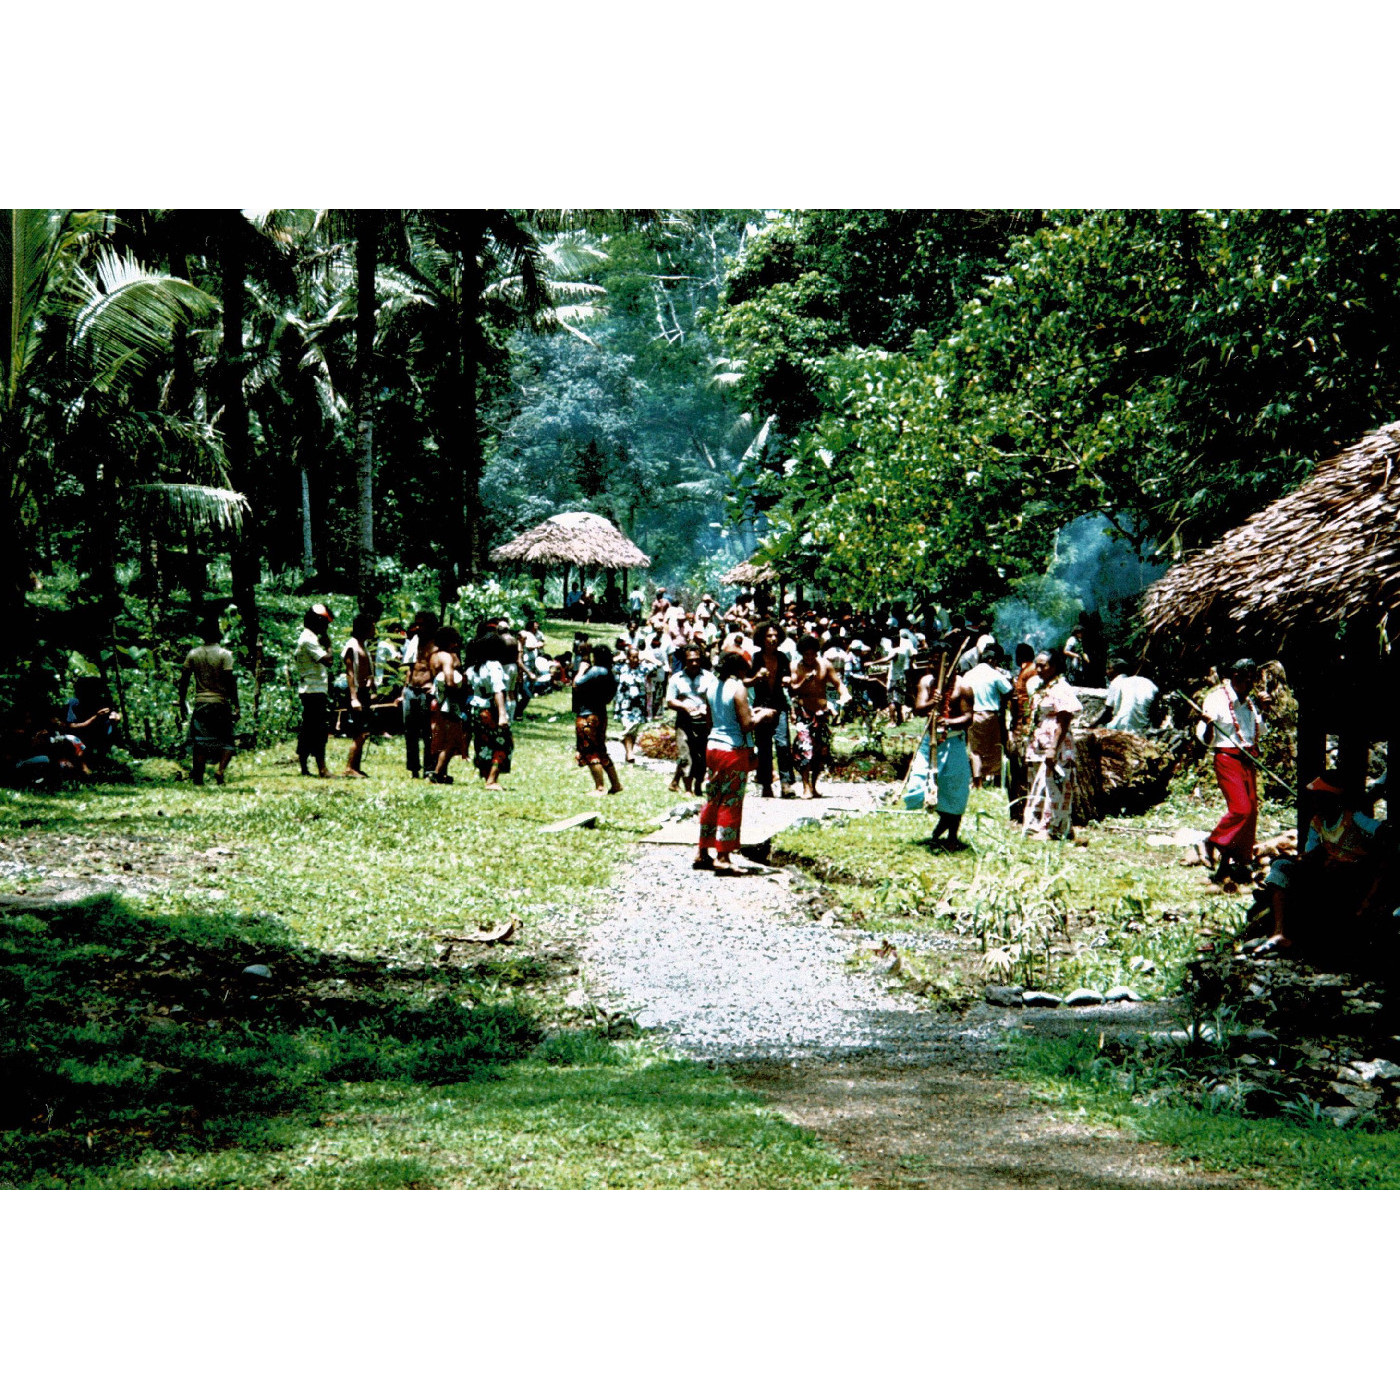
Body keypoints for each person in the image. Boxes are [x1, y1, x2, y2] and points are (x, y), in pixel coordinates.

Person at [1259, 772, 1388, 957]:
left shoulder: (1353, 817)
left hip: (1353, 873)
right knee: (1281, 866)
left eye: (1319, 798)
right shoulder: (1317, 823)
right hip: (1328, 869)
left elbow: (1380, 831)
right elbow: (1310, 851)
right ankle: (1278, 932)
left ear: (1333, 799)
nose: (1315, 803)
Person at [695, 649, 774, 874]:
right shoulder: (738, 688)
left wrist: (747, 713)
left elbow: (712, 721)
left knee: (712, 799)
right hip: (733, 751)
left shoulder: (712, 687)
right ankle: (723, 855)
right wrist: (764, 715)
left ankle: (703, 851)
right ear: (739, 669)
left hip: (714, 747)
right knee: (731, 802)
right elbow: (747, 724)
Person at [1197, 658, 1264, 883]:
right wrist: (1207, 724)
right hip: (1227, 758)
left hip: (1248, 759)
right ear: (1236, 678)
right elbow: (1206, 740)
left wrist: (1263, 709)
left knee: (1252, 812)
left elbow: (1258, 732)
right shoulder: (1217, 699)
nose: (1251, 687)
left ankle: (1234, 862)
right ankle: (1212, 841)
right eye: (1247, 682)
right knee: (1241, 809)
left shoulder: (1250, 703)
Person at [1022, 650, 1082, 840]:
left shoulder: (1061, 688)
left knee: (1054, 786)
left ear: (1054, 667)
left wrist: (1053, 749)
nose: (1038, 669)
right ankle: (1042, 825)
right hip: (1040, 742)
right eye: (1036, 665)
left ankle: (1053, 828)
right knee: (1040, 785)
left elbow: (1064, 719)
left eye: (1043, 666)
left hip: (1055, 744)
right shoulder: (1043, 687)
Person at [178, 615, 238, 786]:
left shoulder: (193, 654)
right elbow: (230, 681)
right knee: (227, 739)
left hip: (201, 702)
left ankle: (198, 778)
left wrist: (182, 701)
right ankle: (220, 770)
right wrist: (236, 705)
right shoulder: (225, 655)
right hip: (220, 702)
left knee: (200, 742)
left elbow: (183, 680)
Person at [927, 660, 975, 848]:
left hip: (953, 741)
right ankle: (944, 822)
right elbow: (918, 708)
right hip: (931, 744)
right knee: (930, 789)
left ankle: (952, 835)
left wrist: (948, 722)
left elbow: (969, 717)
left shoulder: (963, 687)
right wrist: (933, 701)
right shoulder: (927, 683)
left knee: (956, 788)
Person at [750, 621, 796, 799]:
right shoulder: (756, 658)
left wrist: (787, 679)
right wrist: (757, 676)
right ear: (762, 638)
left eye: (776, 636)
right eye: (769, 636)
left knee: (783, 743)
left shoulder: (783, 657)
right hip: (761, 705)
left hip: (780, 704)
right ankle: (766, 784)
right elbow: (747, 681)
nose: (773, 639)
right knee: (764, 746)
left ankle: (786, 784)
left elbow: (788, 676)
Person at [790, 634, 838, 799]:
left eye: (812, 653)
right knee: (805, 749)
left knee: (821, 751)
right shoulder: (796, 666)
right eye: (806, 654)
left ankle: (814, 785)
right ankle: (805, 785)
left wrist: (844, 696)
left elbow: (838, 684)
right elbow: (793, 689)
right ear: (802, 653)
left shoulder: (825, 665)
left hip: (821, 713)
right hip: (804, 713)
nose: (809, 657)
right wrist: (804, 681)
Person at [293, 604, 335, 778]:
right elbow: (328, 660)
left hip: (312, 690)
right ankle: (322, 768)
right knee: (318, 731)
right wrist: (329, 645)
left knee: (308, 729)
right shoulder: (309, 639)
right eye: (324, 623)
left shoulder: (309, 637)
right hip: (313, 691)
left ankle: (305, 767)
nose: (325, 627)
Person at [574, 644, 622, 795]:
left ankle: (599, 786)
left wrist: (581, 669)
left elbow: (576, 684)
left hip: (587, 714)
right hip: (601, 714)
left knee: (590, 750)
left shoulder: (595, 671)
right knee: (601, 749)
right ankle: (615, 784)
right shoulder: (610, 674)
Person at [469, 631, 513, 789]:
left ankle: (486, 775)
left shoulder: (476, 666)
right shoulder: (494, 665)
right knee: (502, 744)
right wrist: (502, 714)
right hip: (490, 710)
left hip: (476, 709)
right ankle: (492, 780)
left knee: (483, 743)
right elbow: (497, 690)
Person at [666, 644, 712, 794]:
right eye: (690, 660)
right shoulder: (676, 678)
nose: (694, 663)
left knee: (701, 756)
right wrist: (684, 706)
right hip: (684, 721)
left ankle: (698, 786)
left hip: (704, 722)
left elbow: (714, 698)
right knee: (685, 754)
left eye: (697, 660)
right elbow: (670, 701)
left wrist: (707, 708)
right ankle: (687, 789)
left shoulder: (709, 677)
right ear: (685, 661)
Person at [965, 641, 1012, 789]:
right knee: (994, 747)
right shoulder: (995, 674)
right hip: (991, 715)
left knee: (975, 750)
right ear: (992, 660)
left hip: (974, 714)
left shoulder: (969, 674)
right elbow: (1009, 690)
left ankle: (978, 782)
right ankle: (997, 781)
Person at [429, 626, 469, 784]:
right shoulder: (446, 657)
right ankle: (438, 773)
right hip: (449, 700)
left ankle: (442, 772)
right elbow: (449, 680)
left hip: (438, 699)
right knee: (452, 740)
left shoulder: (434, 656)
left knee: (442, 737)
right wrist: (461, 688)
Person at [401, 610, 438, 778]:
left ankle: (430, 768)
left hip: (427, 692)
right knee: (411, 732)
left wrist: (435, 687)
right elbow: (410, 667)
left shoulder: (437, 644)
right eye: (417, 623)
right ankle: (414, 768)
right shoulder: (415, 641)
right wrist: (404, 688)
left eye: (422, 624)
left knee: (428, 733)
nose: (418, 627)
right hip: (411, 690)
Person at [1005, 642, 1039, 824]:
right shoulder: (1026, 671)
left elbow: (1026, 703)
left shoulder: (1029, 672)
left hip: (1024, 726)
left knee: (1021, 770)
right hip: (1020, 724)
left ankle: (1023, 809)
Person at [341, 612, 376, 778]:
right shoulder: (352, 646)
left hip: (364, 691)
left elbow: (366, 670)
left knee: (364, 732)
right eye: (372, 626)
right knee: (359, 731)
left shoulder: (364, 646)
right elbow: (350, 673)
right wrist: (354, 697)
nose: (374, 629)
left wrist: (371, 683)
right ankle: (349, 767)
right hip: (355, 693)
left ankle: (356, 766)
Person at [58, 677, 122, 762]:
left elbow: (112, 713)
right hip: (79, 735)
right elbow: (70, 727)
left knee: (109, 724)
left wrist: (116, 716)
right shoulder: (73, 703)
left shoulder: (99, 701)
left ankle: (102, 756)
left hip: (97, 732)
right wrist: (96, 717)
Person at [1103, 658, 1160, 734]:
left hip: (1120, 726)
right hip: (1141, 730)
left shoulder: (1123, 682)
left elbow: (1112, 709)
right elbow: (1154, 713)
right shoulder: (1154, 687)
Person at [613, 645, 649, 765]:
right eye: (633, 657)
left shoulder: (643, 669)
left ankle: (629, 750)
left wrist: (647, 657)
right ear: (628, 657)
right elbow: (607, 663)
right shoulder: (621, 668)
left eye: (637, 657)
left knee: (634, 730)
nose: (635, 660)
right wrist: (619, 657)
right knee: (628, 727)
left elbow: (659, 665)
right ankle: (630, 753)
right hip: (625, 704)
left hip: (638, 705)